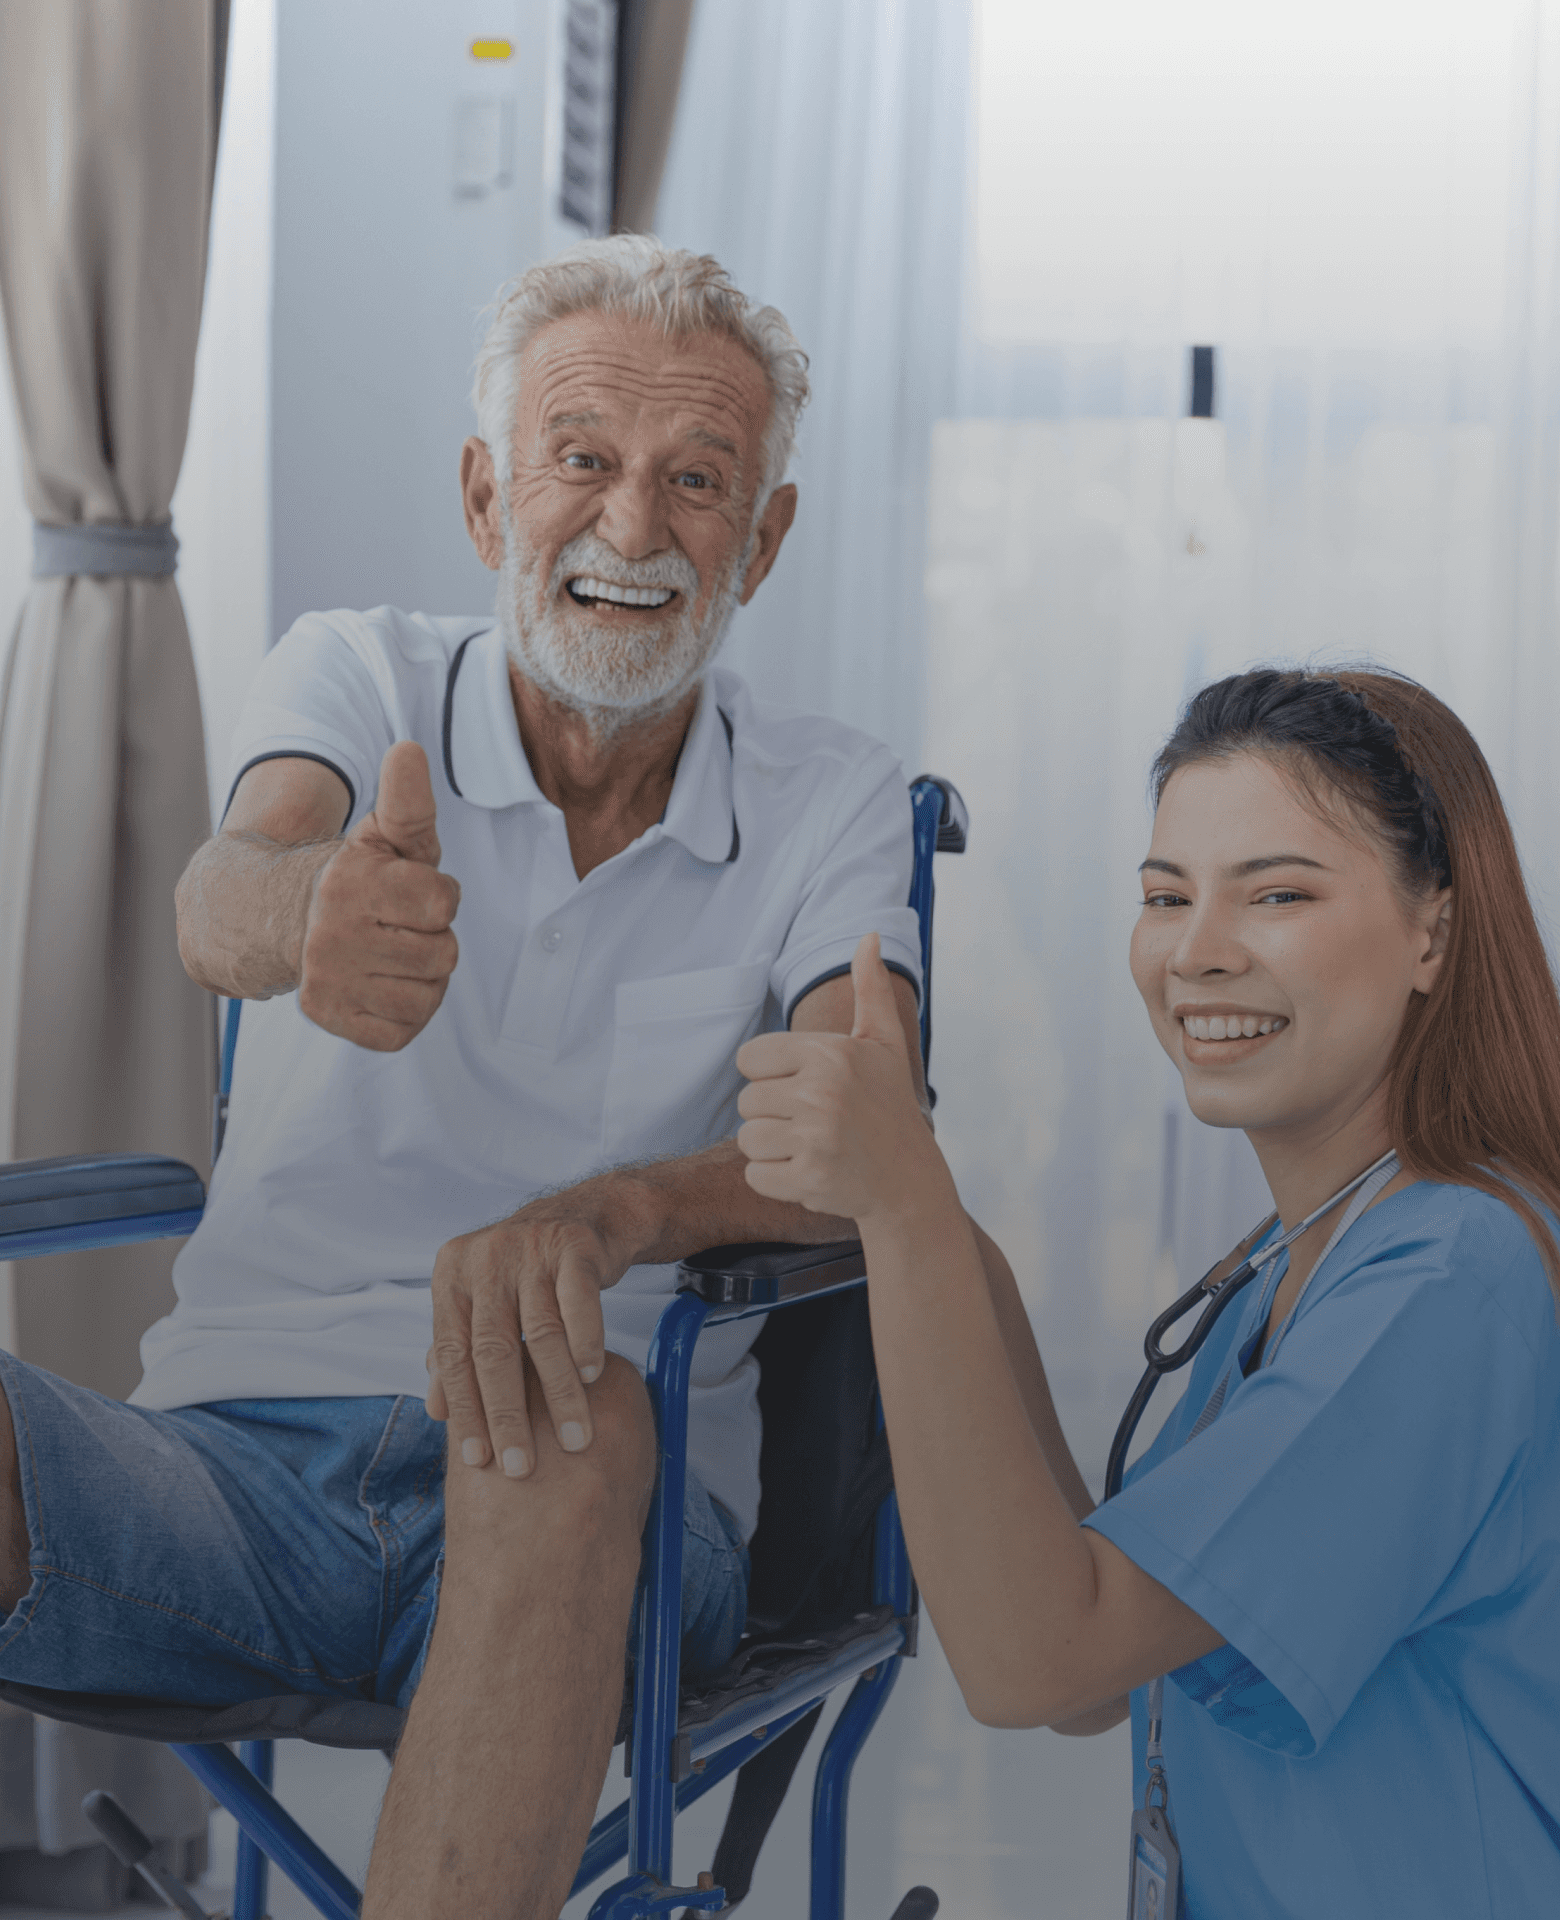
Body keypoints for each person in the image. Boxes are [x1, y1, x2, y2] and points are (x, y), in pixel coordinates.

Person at [0, 236, 929, 1920]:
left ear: (764, 537)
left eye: (696, 478)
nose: (632, 528)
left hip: (607, 1506)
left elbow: (865, 1133)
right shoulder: (357, 673)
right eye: (581, 458)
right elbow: (225, 895)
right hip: (226, 1479)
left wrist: (619, 1212)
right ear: (490, 500)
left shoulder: (833, 800)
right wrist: (310, 912)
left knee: (570, 1412)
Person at [738, 667, 1560, 1916]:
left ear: (1432, 934)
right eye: (1167, 896)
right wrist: (919, 1203)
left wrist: (906, 1214)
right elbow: (1100, 1677)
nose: (1198, 952)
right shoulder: (1300, 1265)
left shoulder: (1449, 1283)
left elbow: (1035, 1662)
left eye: (1277, 894)